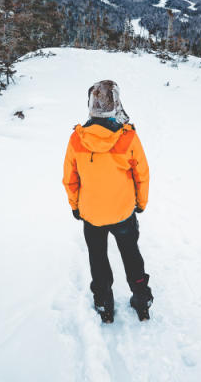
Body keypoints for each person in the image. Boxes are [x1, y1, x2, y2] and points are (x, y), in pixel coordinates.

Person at [62, 80, 153, 323]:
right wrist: (140, 203)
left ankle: (104, 303)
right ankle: (142, 299)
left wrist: (75, 206)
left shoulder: (77, 139)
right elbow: (141, 175)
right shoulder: (128, 137)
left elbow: (70, 179)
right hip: (123, 212)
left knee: (98, 258)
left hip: (91, 214)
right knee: (131, 255)